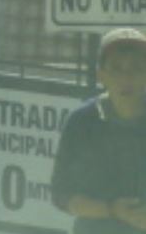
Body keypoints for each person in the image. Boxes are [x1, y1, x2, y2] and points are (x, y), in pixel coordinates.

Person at [52, 27, 146, 232]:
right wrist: (111, 210)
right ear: (101, 75)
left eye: (137, 68)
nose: (126, 77)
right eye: (117, 68)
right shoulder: (81, 122)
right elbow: (61, 195)